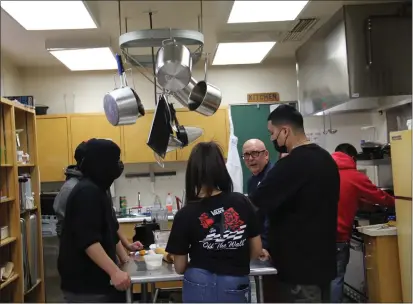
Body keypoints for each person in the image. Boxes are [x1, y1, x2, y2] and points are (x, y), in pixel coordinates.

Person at [249, 104, 340, 303]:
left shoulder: (291, 165)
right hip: (323, 263)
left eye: (272, 133)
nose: (272, 139)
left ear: (285, 131)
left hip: (299, 271)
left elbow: (257, 203)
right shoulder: (326, 160)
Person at [166, 141, 262, 303]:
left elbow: (180, 266)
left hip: (198, 283)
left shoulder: (185, 214)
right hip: (235, 283)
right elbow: (256, 249)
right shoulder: (242, 202)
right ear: (220, 168)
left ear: (192, 172)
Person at [58, 139, 131, 303]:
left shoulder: (98, 189)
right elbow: (89, 241)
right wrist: (115, 272)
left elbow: (110, 230)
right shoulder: (86, 193)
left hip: (98, 284)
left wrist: (125, 259)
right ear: (103, 163)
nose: (118, 164)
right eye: (115, 160)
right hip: (86, 287)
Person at [331, 143, 395, 303]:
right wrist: (399, 202)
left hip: (316, 236)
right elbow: (379, 196)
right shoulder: (354, 175)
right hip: (338, 236)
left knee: (322, 281)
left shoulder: (322, 171)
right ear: (352, 158)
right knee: (336, 278)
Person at [53, 140, 142, 255]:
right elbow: (86, 238)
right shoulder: (76, 190)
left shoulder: (100, 183)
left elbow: (110, 223)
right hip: (82, 259)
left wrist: (125, 253)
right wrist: (114, 270)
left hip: (101, 257)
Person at [242, 139, 273, 256]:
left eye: (255, 153)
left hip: (274, 243)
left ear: (266, 155)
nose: (250, 159)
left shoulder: (273, 176)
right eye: (246, 155)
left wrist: (264, 245)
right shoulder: (251, 181)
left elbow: (271, 215)